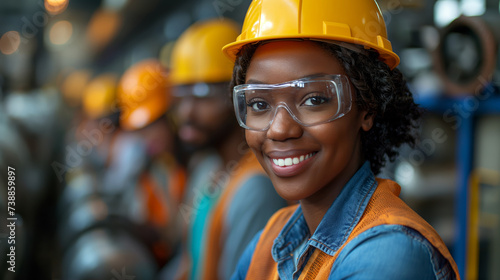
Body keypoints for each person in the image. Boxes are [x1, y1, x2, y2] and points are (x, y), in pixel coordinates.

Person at [222, 0, 461, 279]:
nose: (279, 129)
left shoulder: (388, 254)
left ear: (367, 109)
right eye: (260, 104)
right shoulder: (269, 243)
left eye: (313, 99)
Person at [163, 18, 288, 280]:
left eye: (202, 94)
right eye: (180, 96)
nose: (186, 112)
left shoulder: (256, 189)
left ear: (241, 99)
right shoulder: (206, 168)